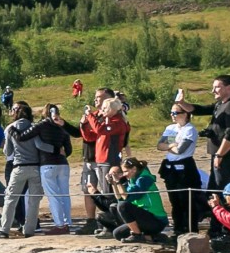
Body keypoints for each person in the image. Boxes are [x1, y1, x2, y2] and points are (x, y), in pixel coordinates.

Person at [179, 77, 230, 239]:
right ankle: (217, 226)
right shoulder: (220, 104)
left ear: (229, 88)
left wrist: (220, 154)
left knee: (224, 191)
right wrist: (181, 102)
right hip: (217, 155)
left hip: (226, 156)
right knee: (214, 190)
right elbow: (199, 109)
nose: (213, 90)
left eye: (217, 87)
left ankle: (227, 229)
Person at [0, 103, 45, 239]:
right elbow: (40, 145)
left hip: (19, 167)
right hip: (35, 167)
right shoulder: (34, 127)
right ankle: (30, 229)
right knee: (34, 200)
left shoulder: (11, 129)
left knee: (10, 199)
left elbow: (8, 151)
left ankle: (3, 229)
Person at [78, 94, 128, 235]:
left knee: (108, 194)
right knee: (105, 193)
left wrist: (90, 116)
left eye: (105, 108)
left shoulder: (118, 122)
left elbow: (100, 130)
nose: (102, 110)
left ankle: (111, 224)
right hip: (100, 160)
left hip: (109, 161)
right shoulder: (107, 121)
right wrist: (84, 124)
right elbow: (90, 136)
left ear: (113, 109)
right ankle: (108, 223)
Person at [92, 158, 169, 243]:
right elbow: (120, 199)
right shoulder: (132, 180)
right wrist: (113, 183)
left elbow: (127, 198)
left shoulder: (144, 179)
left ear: (134, 169)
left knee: (123, 206)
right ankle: (150, 236)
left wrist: (118, 182)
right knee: (117, 234)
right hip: (145, 217)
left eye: (126, 171)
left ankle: (137, 235)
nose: (124, 174)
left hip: (156, 220)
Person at [156, 102, 202, 236]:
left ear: (185, 114)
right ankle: (178, 228)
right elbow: (160, 145)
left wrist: (170, 146)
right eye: (172, 113)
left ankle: (190, 229)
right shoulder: (172, 128)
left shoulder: (189, 129)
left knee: (186, 201)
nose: (173, 115)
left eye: (176, 113)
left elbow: (181, 150)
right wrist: (171, 145)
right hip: (171, 169)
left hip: (185, 168)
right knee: (174, 201)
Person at [34, 104, 78, 234]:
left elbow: (38, 145)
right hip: (63, 164)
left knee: (53, 195)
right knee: (64, 193)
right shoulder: (62, 128)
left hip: (47, 163)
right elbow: (68, 149)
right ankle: (67, 221)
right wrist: (61, 153)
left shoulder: (40, 127)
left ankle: (59, 224)